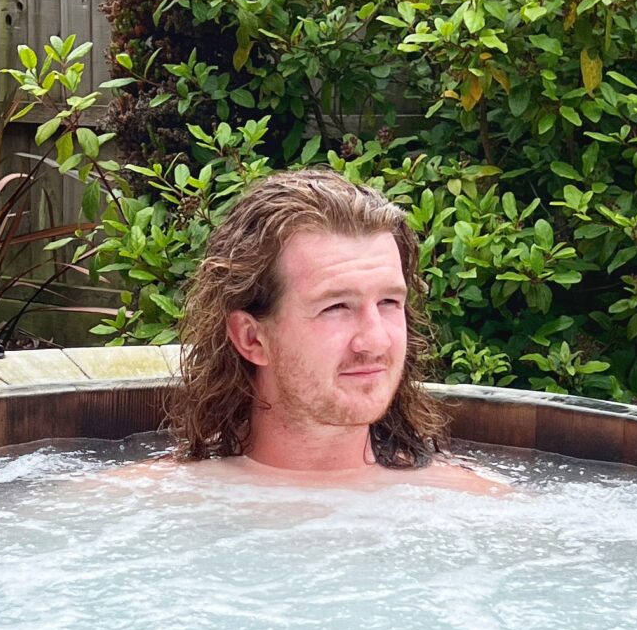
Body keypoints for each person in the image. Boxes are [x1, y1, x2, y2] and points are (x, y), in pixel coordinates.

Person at [166, 169, 511, 492]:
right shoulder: (155, 502)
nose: (375, 340)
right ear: (251, 338)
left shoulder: (470, 505)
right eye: (336, 308)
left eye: (389, 302)